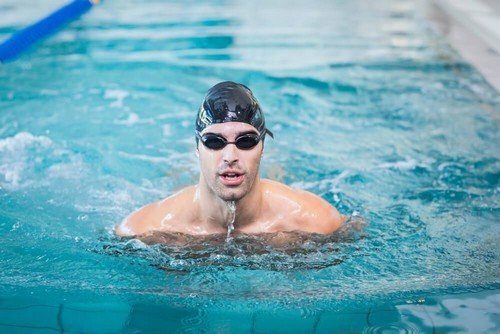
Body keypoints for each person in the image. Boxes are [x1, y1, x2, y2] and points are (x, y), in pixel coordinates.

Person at [115, 81, 345, 237]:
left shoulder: (316, 221)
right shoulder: (148, 229)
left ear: (262, 147)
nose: (230, 157)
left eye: (246, 142)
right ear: (197, 148)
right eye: (214, 142)